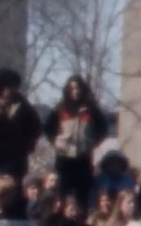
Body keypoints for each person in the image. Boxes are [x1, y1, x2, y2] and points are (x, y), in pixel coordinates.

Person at [45, 76, 110, 204]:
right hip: (64, 158)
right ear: (67, 90)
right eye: (72, 88)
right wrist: (56, 142)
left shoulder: (91, 110)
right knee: (63, 193)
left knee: (83, 195)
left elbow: (103, 128)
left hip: (83, 158)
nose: (76, 91)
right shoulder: (60, 109)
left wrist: (92, 142)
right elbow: (47, 128)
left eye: (78, 88)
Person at [0, 68, 43, 182]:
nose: (8, 90)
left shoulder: (25, 108)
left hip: (16, 161)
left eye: (12, 86)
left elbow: (36, 129)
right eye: (5, 87)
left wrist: (26, 144)